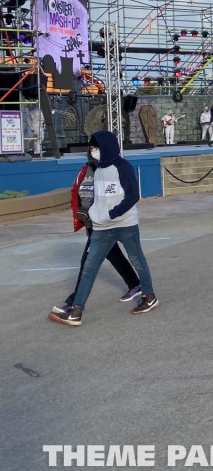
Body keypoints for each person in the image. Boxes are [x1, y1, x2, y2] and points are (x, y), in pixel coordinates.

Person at [49, 130, 158, 326]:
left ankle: (149, 296)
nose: (93, 151)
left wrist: (111, 214)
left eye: (96, 147)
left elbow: (133, 196)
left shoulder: (123, 167)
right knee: (89, 268)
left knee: (137, 260)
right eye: (91, 148)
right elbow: (97, 199)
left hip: (125, 224)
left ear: (107, 146)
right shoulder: (97, 170)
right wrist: (94, 216)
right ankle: (76, 310)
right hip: (101, 229)